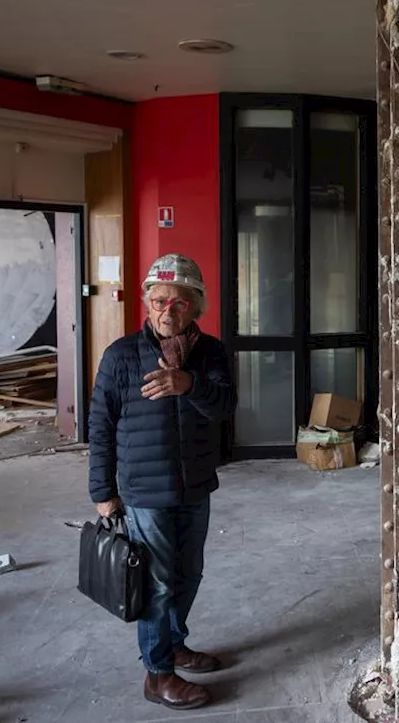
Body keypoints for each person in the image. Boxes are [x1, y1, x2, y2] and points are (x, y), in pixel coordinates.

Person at [88, 254, 236, 710]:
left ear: (196, 307)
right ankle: (157, 673)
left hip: (194, 485)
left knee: (188, 574)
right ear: (146, 304)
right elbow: (100, 425)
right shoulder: (120, 357)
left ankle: (173, 643)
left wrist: (188, 384)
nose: (166, 312)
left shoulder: (209, 353)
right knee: (156, 583)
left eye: (178, 303)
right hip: (144, 492)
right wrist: (103, 492)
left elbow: (224, 407)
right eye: (157, 301)